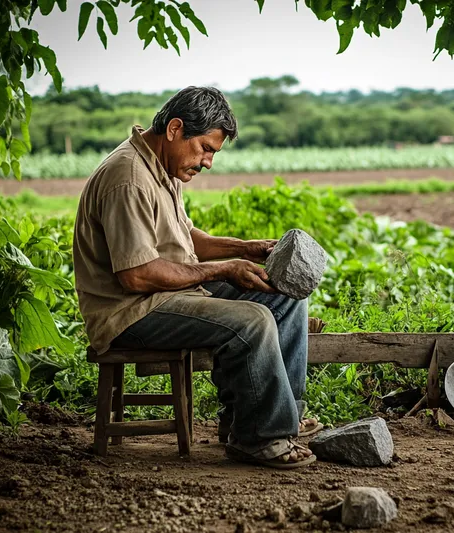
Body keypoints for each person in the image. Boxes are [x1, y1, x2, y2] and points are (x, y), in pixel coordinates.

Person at [73, 86, 321, 469]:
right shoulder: (129, 178)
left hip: (166, 294)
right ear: (175, 129)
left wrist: (244, 249)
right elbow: (137, 276)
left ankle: (267, 416)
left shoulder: (161, 166)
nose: (208, 162)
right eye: (206, 148)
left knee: (281, 295)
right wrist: (225, 270)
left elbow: (186, 239)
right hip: (129, 312)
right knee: (252, 320)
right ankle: (261, 439)